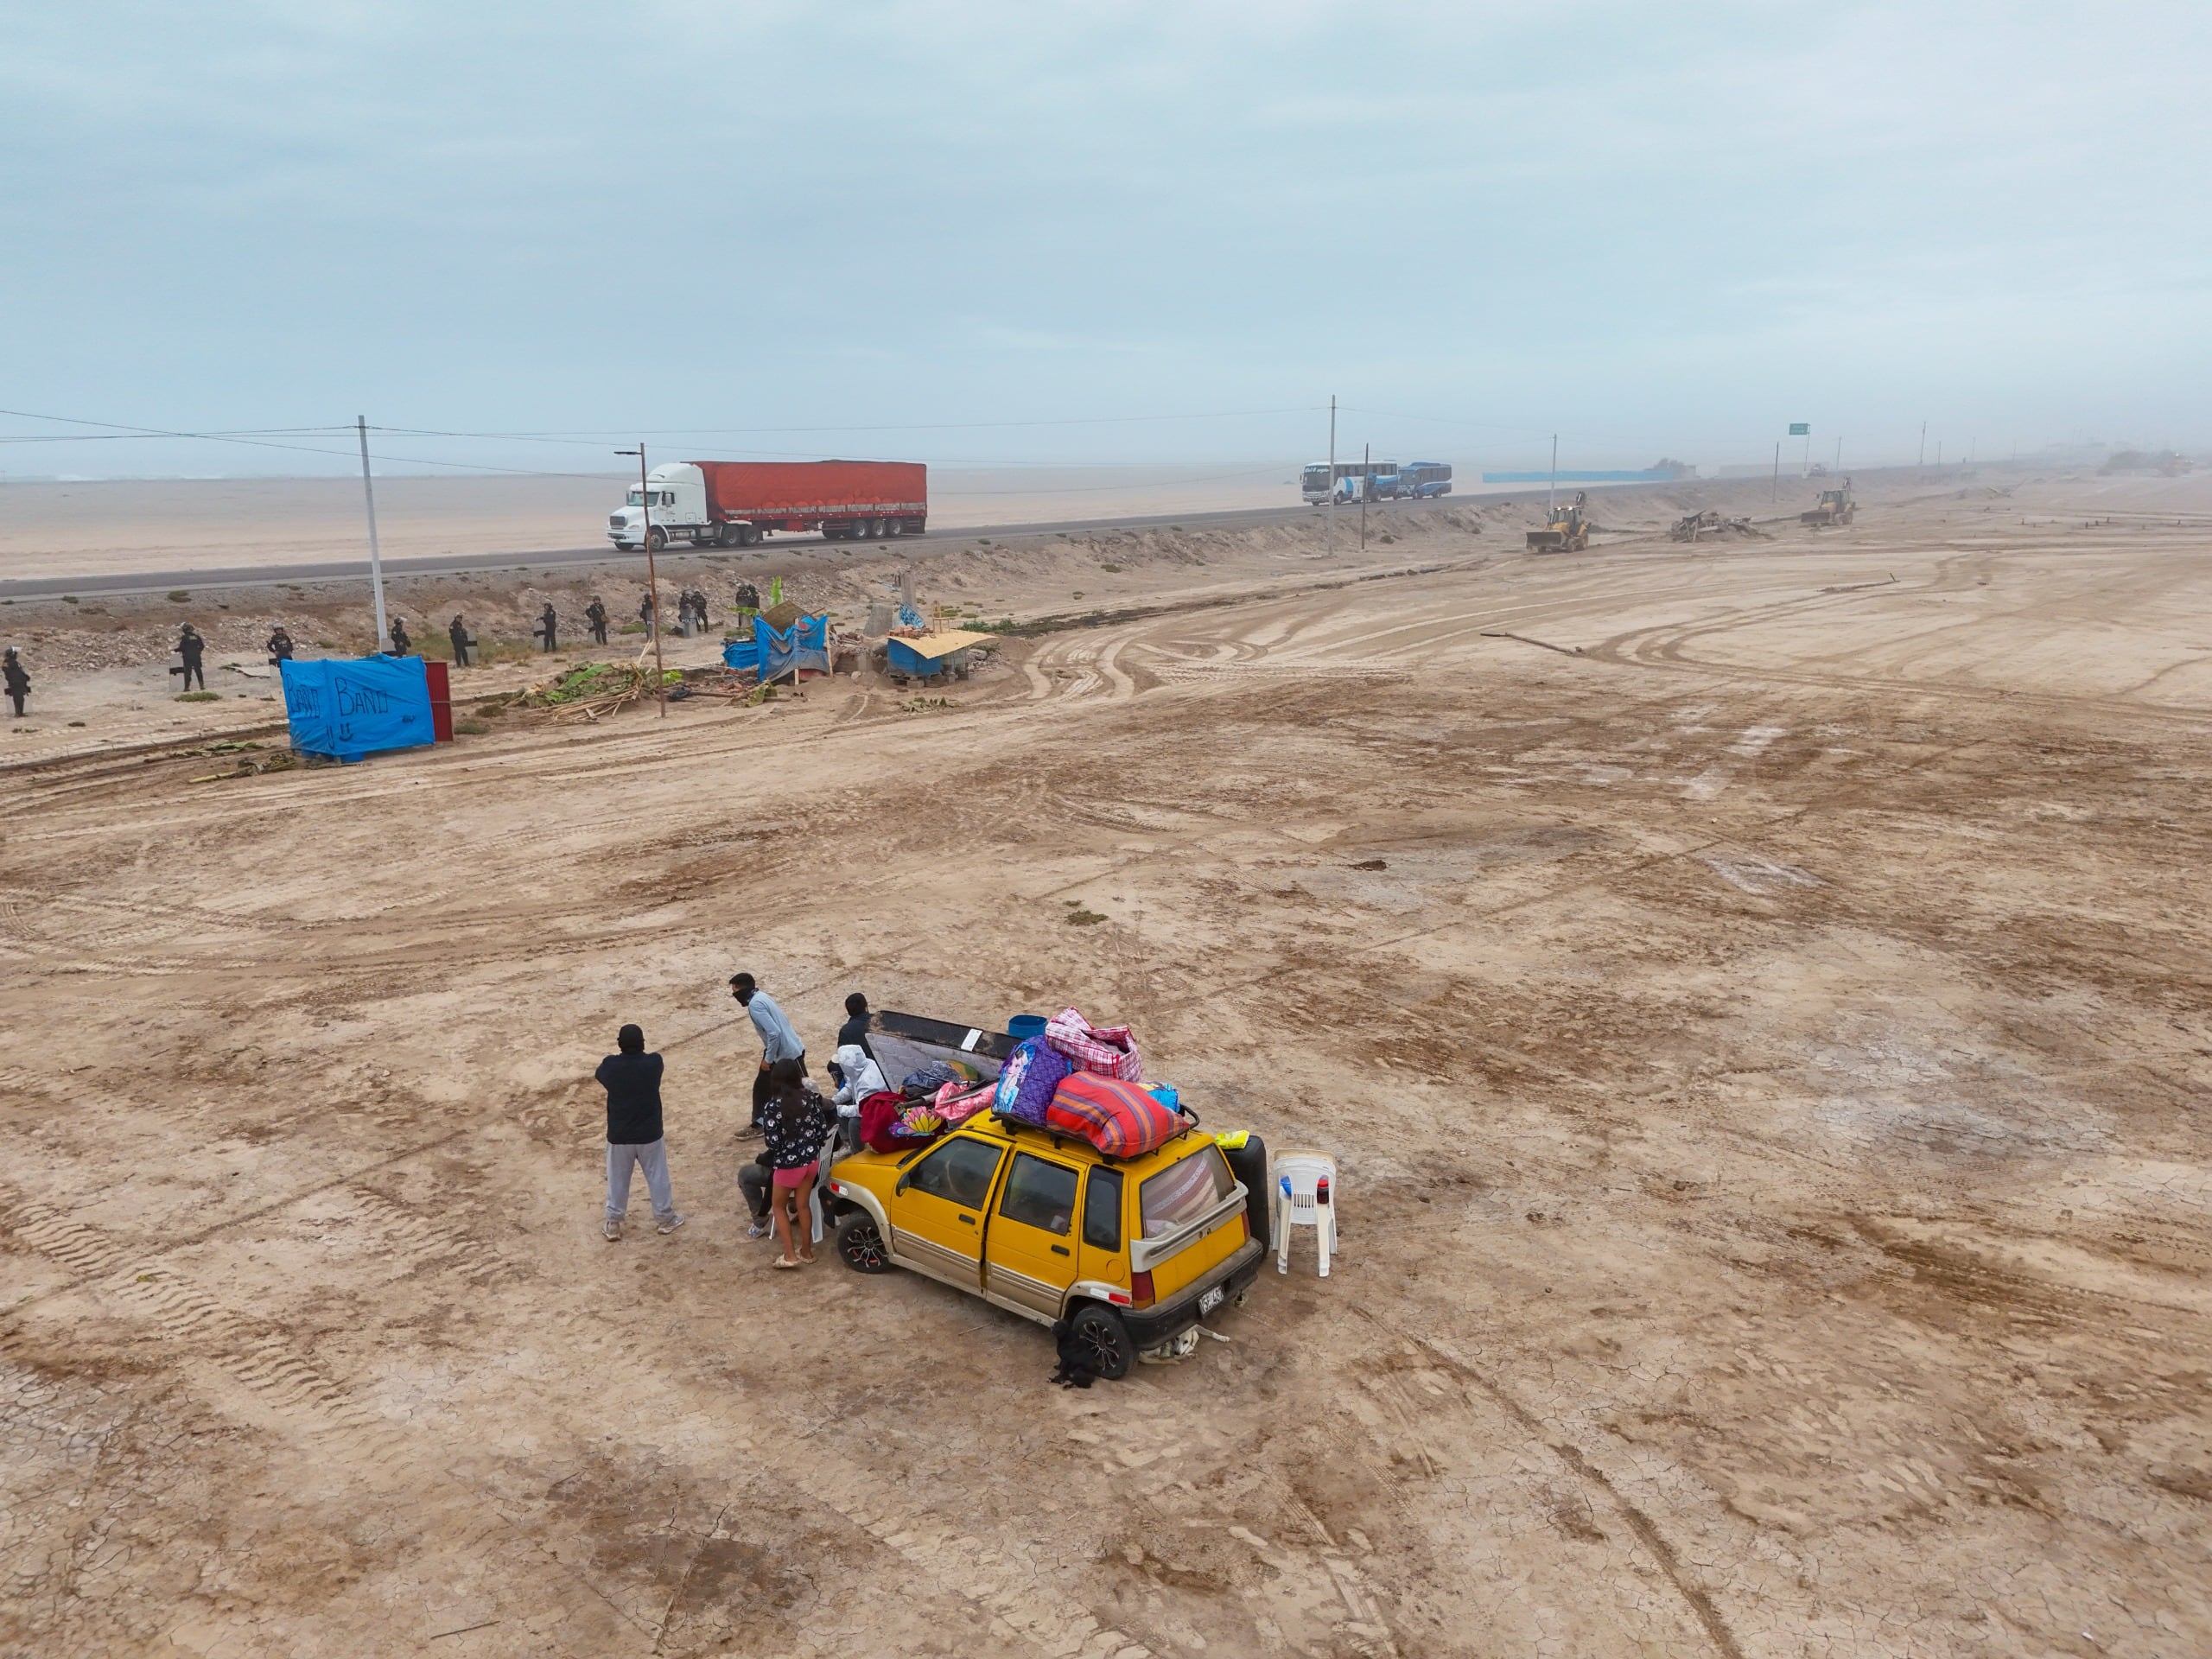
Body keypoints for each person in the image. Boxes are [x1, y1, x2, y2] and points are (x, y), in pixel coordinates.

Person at [595, 1023, 683, 1241]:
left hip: (619, 1135)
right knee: (658, 1176)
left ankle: (613, 1224)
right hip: (650, 1133)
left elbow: (601, 1074)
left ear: (619, 1045)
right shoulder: (654, 1063)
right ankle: (665, 1218)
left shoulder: (611, 1066)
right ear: (643, 1043)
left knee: (617, 1179)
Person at [755, 1057, 835, 1268]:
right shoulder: (810, 1097)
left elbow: (772, 1142)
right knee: (803, 1205)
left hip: (789, 1166)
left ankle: (790, 1255)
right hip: (811, 1162)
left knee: (779, 1207)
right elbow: (821, 1130)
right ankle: (806, 1252)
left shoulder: (773, 1106)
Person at [728, 971, 804, 1141]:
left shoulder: (755, 1005)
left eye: (735, 989)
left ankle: (761, 1123)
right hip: (788, 1048)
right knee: (767, 1087)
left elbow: (774, 1033)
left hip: (785, 1053)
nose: (733, 993)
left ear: (742, 989)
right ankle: (763, 1121)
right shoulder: (761, 996)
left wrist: (768, 1059)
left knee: (799, 1088)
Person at [827, 1042, 887, 1153]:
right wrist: (834, 1101)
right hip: (866, 1105)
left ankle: (858, 1152)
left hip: (879, 1112)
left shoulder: (868, 1082)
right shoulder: (858, 1067)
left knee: (854, 1123)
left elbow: (862, 1110)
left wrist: (837, 1108)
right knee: (838, 1112)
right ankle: (849, 1142)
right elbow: (849, 1088)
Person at [836, 992, 873, 1058]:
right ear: (866, 1007)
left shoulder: (846, 1031)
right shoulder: (882, 1020)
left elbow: (844, 1058)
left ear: (849, 1012)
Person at [171, 625, 207, 691]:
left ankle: (187, 687)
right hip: (196, 657)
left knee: (188, 672)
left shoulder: (185, 637)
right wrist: (197, 652)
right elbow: (202, 646)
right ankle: (202, 686)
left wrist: (175, 650)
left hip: (187, 657)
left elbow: (182, 648)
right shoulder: (197, 637)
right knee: (198, 671)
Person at [3, 647, 28, 718]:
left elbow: (19, 672)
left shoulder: (13, 662)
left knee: (21, 698)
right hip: (15, 682)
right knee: (17, 698)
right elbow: (8, 672)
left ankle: (20, 713)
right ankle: (18, 713)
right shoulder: (7, 662)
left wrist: (25, 677)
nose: (16, 655)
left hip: (19, 682)